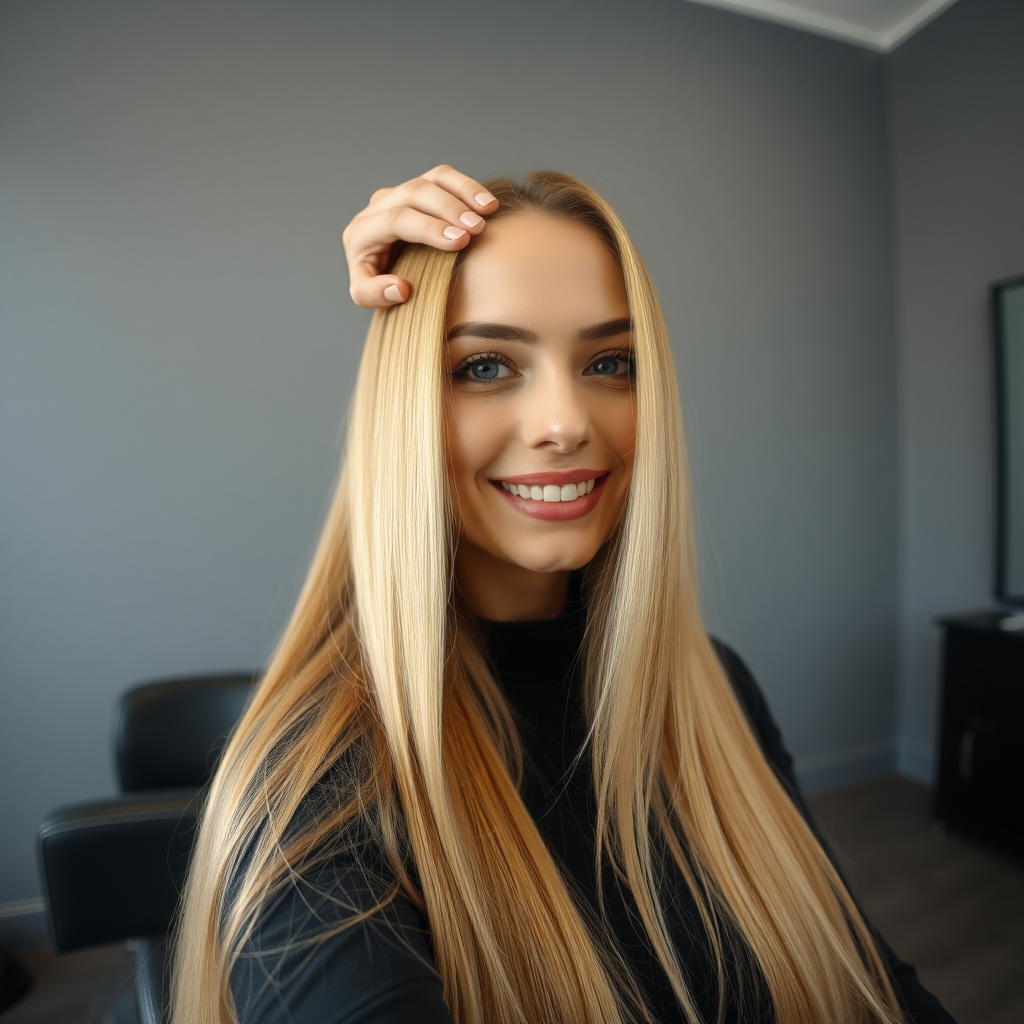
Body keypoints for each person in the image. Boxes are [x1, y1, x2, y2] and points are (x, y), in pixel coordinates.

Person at [170, 167, 955, 1024]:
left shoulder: (715, 688)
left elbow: (866, 978)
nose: (565, 421)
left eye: (610, 362)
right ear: (407, 407)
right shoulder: (317, 785)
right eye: (485, 365)